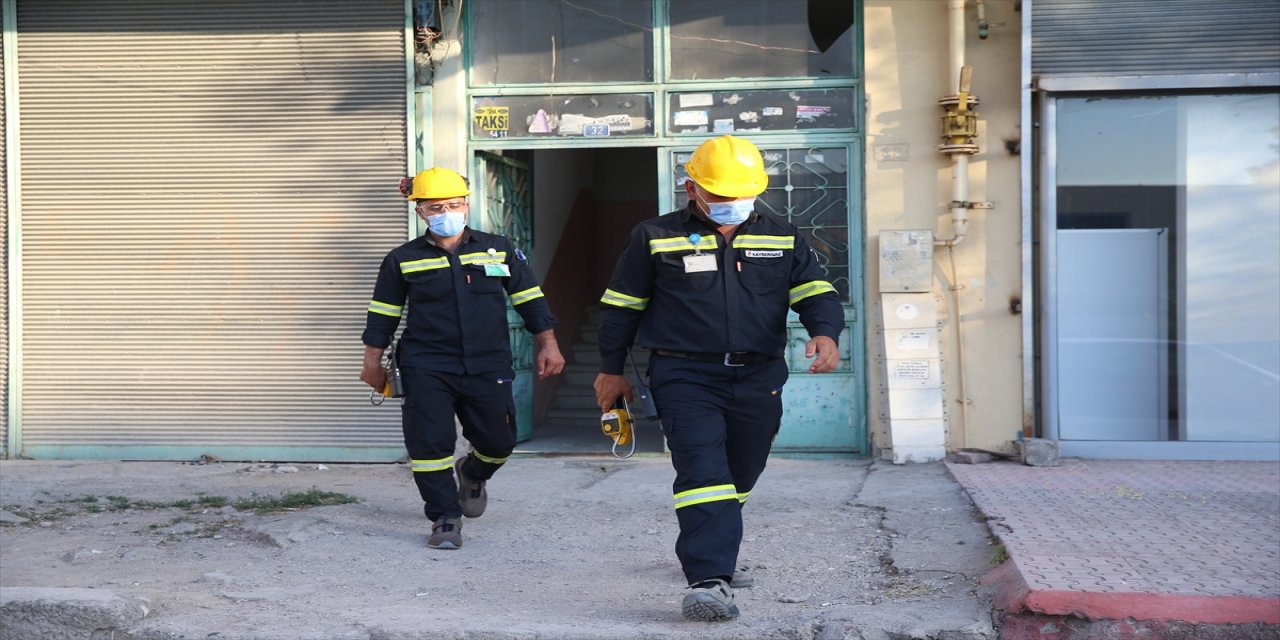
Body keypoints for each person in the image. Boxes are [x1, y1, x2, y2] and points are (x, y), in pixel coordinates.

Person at [593, 135, 843, 621]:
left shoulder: (783, 235)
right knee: (703, 471)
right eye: (724, 196)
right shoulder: (653, 235)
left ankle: (718, 539)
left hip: (758, 374)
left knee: (742, 470)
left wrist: (826, 333)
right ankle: (709, 579)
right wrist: (610, 370)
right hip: (683, 373)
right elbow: (621, 308)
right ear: (693, 189)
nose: (736, 204)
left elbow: (817, 293)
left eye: (745, 194)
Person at [361, 167, 565, 550]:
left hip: (488, 363)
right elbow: (383, 314)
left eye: (454, 204)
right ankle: (444, 517)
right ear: (420, 211)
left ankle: (472, 472)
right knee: (429, 444)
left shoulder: (499, 248)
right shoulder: (402, 258)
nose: (446, 212)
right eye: (436, 206)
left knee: (499, 442)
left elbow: (530, 300)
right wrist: (373, 361)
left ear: (467, 204)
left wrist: (549, 344)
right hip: (426, 364)